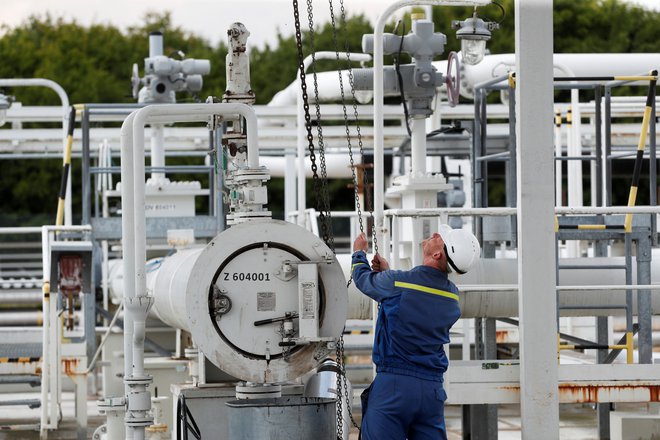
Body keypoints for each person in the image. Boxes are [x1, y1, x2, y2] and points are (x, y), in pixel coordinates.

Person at [351, 227, 480, 440]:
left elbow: (362, 278)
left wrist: (359, 253)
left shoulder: (397, 283)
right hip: (431, 392)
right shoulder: (452, 297)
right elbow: (414, 297)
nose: (435, 234)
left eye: (440, 237)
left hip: (394, 387)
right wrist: (387, 274)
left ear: (437, 254)